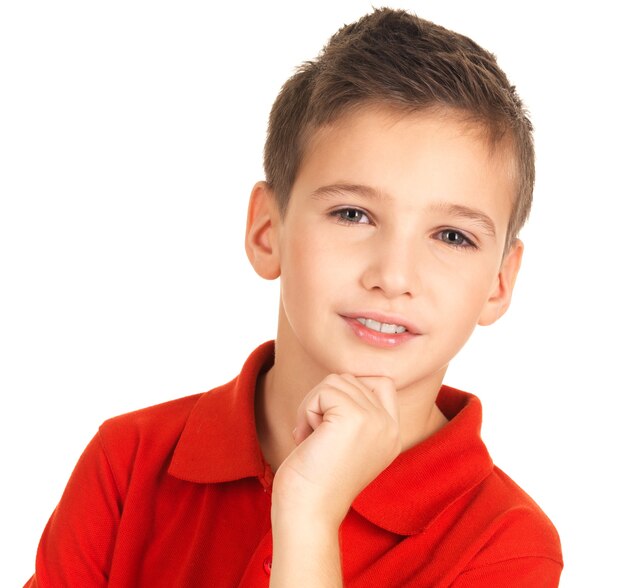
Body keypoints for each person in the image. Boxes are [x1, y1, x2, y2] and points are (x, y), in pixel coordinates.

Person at [25, 7, 563, 587]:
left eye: (452, 236)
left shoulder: (507, 544)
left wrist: (308, 515)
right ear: (267, 232)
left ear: (500, 282)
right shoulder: (128, 464)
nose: (394, 274)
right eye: (352, 214)